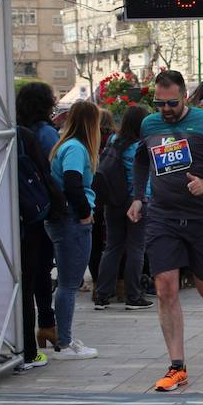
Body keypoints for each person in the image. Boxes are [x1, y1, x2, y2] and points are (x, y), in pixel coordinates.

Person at [127, 70, 203, 391]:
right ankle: (177, 365)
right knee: (166, 287)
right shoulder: (149, 125)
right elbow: (140, 159)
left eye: (172, 103)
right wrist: (138, 196)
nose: (165, 109)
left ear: (185, 97)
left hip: (202, 217)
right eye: (159, 103)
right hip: (162, 216)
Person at [45, 101, 101, 359]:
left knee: (68, 283)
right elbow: (73, 181)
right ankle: (65, 342)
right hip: (72, 221)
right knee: (69, 283)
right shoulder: (76, 149)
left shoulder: (65, 145)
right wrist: (85, 214)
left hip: (64, 219)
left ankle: (64, 337)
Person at [94, 105, 154, 311]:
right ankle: (133, 296)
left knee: (112, 247)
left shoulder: (113, 141)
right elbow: (145, 176)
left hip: (113, 200)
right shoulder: (142, 145)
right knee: (136, 248)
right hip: (136, 199)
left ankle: (102, 295)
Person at [15, 82, 59, 351]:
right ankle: (46, 325)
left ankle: (36, 331)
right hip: (40, 210)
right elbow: (52, 173)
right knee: (41, 270)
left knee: (28, 274)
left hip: (19, 209)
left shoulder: (17, 131)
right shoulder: (45, 134)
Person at [88, 108, 117, 297]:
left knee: (95, 243)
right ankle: (119, 283)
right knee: (115, 242)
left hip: (93, 194)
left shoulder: (90, 138)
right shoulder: (115, 139)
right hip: (113, 194)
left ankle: (98, 284)